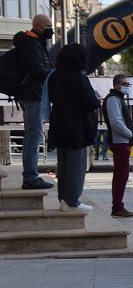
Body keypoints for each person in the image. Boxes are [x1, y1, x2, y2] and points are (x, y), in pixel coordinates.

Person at [46, 44, 99, 212]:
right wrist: (97, 97)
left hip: (59, 125)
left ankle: (63, 199)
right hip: (77, 127)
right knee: (76, 165)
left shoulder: (54, 76)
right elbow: (91, 102)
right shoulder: (79, 77)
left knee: (63, 165)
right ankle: (72, 201)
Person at [13, 14, 55, 189]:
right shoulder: (32, 44)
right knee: (33, 136)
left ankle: (30, 176)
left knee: (33, 134)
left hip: (31, 94)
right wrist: (54, 73)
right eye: (47, 26)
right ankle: (30, 177)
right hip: (32, 95)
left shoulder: (34, 42)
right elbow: (37, 69)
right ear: (37, 26)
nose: (50, 30)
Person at [103, 74, 133, 218]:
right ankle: (117, 206)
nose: (126, 86)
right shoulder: (113, 99)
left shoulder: (117, 98)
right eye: (124, 84)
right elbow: (116, 122)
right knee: (121, 175)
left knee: (122, 175)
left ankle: (118, 205)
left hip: (122, 141)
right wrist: (130, 134)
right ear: (116, 85)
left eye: (128, 84)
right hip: (120, 142)